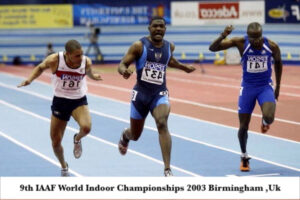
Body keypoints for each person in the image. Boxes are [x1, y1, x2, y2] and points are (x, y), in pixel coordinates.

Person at [117, 16, 195, 177]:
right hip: (140, 95)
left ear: (165, 29)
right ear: (149, 28)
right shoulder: (139, 46)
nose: (158, 29)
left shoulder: (169, 46)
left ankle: (167, 169)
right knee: (135, 135)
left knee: (162, 123)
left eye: (161, 26)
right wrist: (124, 70)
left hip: (159, 93)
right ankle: (126, 135)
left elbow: (168, 60)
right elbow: (122, 63)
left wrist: (183, 67)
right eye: (155, 26)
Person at [17, 39, 102, 176]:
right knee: (56, 142)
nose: (80, 58)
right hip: (60, 101)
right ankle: (64, 166)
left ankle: (77, 138)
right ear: (67, 54)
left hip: (78, 100)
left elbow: (88, 72)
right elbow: (40, 67)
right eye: (76, 55)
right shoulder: (55, 60)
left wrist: (94, 76)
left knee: (86, 128)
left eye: (81, 54)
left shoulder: (86, 61)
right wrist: (29, 80)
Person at [209, 22, 282, 172]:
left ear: (262, 35)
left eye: (258, 37)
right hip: (248, 88)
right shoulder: (241, 43)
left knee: (270, 117)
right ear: (248, 36)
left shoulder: (272, 46)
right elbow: (212, 48)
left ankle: (264, 121)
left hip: (264, 87)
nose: (256, 41)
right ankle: (244, 156)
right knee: (243, 126)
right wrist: (224, 34)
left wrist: (278, 87)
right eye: (252, 38)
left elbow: (279, 64)